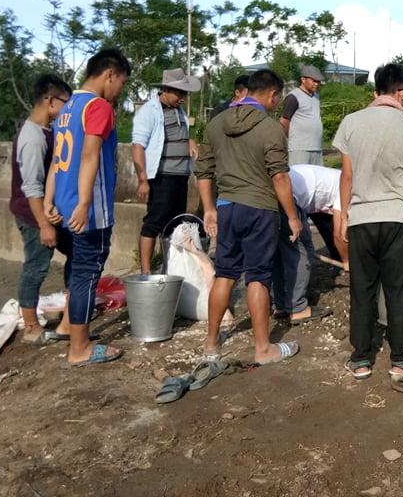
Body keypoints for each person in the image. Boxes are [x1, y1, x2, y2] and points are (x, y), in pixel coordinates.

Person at [195, 69, 301, 365]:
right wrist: (292, 216)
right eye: (276, 99)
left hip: (226, 207)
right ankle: (263, 348)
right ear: (272, 95)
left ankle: (212, 344)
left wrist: (209, 208)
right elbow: (279, 176)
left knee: (225, 274)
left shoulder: (216, 124)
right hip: (259, 210)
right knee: (258, 277)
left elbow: (202, 171)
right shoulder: (271, 129)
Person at [334, 64, 403, 389]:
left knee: (363, 288)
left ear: (377, 89)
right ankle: (400, 359)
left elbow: (346, 175)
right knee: (399, 289)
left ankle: (361, 359)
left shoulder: (350, 123)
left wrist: (344, 215)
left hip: (361, 217)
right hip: (398, 217)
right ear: (400, 91)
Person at [44, 48, 130, 367]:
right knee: (86, 274)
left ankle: (71, 328)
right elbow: (89, 156)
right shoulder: (98, 107)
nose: (119, 88)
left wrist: (51, 201)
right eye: (120, 81)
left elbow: (56, 161)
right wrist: (83, 203)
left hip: (66, 204)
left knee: (79, 270)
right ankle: (79, 348)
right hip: (89, 210)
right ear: (110, 74)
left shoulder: (67, 109)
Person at [10, 74, 74, 344]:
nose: (67, 110)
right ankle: (31, 326)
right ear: (49, 101)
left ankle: (73, 314)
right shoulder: (33, 139)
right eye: (65, 104)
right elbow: (32, 187)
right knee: (36, 266)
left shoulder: (47, 131)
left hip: (48, 213)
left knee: (77, 253)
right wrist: (45, 225)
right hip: (34, 216)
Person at [131, 68, 201, 273]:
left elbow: (176, 134)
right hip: (162, 177)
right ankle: (146, 271)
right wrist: (142, 179)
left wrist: (189, 140)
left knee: (175, 224)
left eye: (184, 94)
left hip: (180, 176)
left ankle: (170, 268)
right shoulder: (150, 111)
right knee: (154, 223)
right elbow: (138, 146)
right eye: (179, 93)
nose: (182, 98)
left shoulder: (179, 111)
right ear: (165, 90)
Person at [270, 164, 343, 326]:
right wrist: (347, 261)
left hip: (268, 194)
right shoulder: (346, 185)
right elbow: (339, 232)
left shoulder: (336, 177)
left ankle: (280, 305)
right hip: (286, 197)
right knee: (301, 252)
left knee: (278, 253)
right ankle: (297, 308)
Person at [281, 64, 324, 166]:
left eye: (318, 81)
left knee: (316, 179)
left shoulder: (316, 97)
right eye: (313, 80)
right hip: (299, 148)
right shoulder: (293, 97)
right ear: (303, 79)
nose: (316, 84)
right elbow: (284, 122)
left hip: (316, 147)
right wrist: (288, 140)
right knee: (300, 179)